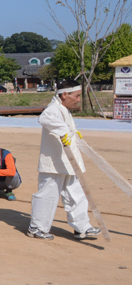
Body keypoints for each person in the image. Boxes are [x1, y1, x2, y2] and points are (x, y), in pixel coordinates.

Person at [27, 80, 100, 241]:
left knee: (77, 195)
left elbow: (65, 128)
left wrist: (73, 133)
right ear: (65, 94)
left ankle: (82, 227)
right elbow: (45, 118)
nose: (78, 99)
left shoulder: (64, 109)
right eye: (76, 96)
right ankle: (37, 227)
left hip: (69, 162)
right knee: (48, 195)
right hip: (53, 163)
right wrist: (63, 132)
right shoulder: (53, 108)